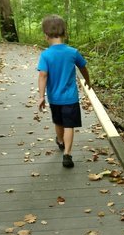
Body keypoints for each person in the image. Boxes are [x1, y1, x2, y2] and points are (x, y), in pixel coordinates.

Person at [37, 14, 91, 168]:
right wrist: (88, 80)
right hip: (71, 98)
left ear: (46, 35)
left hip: (54, 98)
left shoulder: (45, 54)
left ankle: (60, 141)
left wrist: (41, 96)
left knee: (59, 122)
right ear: (65, 33)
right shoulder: (73, 52)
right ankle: (67, 154)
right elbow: (83, 67)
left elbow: (43, 75)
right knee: (69, 126)